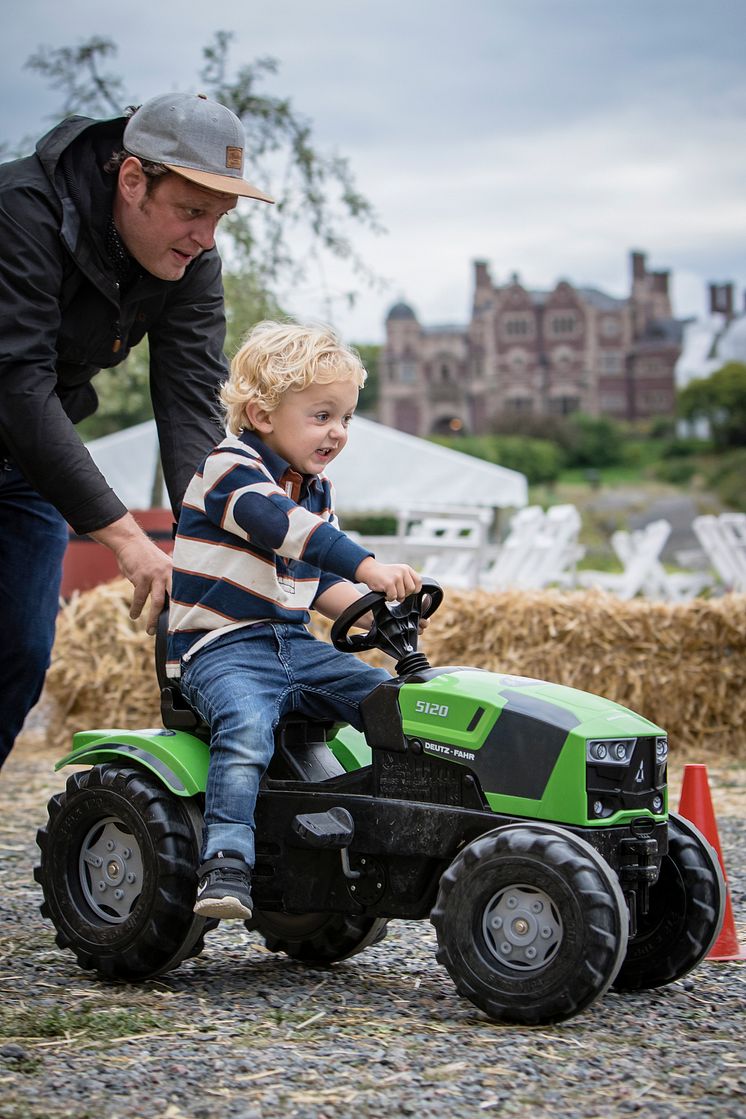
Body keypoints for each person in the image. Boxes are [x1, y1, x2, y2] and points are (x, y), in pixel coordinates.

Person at [0, 92, 274, 769]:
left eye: (219, 218)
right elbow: (16, 384)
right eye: (190, 211)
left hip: (26, 460)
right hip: (21, 410)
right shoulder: (20, 213)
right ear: (131, 179)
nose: (206, 237)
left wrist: (215, 532)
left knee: (19, 650)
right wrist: (127, 540)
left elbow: (189, 404)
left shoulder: (190, 261)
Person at [167, 320, 422, 919]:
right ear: (261, 414)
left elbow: (316, 582)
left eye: (346, 418)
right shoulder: (229, 471)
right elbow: (285, 530)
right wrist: (368, 566)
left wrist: (373, 609)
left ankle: (398, 835)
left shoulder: (314, 488)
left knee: (393, 704)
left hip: (291, 643)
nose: (337, 432)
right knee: (247, 727)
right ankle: (225, 863)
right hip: (222, 646)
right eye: (321, 415)